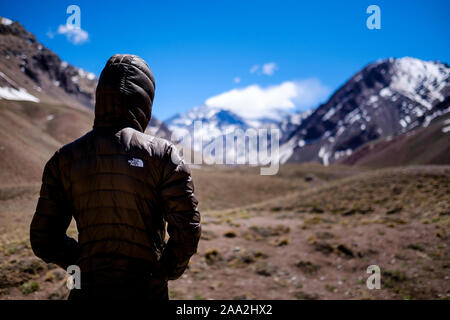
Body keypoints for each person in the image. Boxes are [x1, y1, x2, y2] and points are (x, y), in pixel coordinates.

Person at [30, 54, 201, 300]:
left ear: (101, 96)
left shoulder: (64, 159)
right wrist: (161, 273)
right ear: (145, 100)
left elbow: (43, 238)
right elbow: (187, 231)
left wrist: (82, 264)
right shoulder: (164, 154)